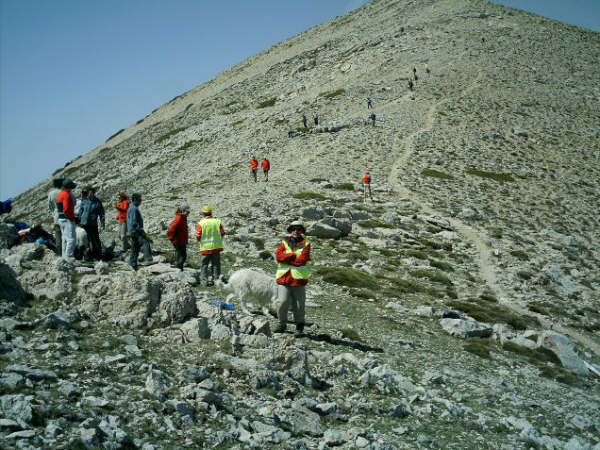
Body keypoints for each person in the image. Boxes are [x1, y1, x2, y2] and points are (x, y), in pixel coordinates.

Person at [275, 220, 312, 336]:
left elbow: (303, 260)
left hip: (299, 279)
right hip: (284, 278)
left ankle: (299, 327)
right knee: (282, 302)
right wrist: (293, 255)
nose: (296, 231)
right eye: (294, 229)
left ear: (302, 231)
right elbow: (279, 257)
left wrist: (287, 259)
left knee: (299, 305)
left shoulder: (306, 244)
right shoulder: (284, 242)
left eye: (299, 229)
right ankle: (282, 324)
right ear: (290, 230)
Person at [196, 206, 226, 286]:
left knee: (204, 265)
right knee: (216, 264)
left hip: (205, 248)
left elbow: (198, 236)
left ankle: (204, 281)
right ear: (211, 212)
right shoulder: (217, 222)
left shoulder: (201, 223)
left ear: (203, 213)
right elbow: (223, 233)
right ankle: (216, 280)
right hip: (216, 247)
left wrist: (202, 241)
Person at [127, 193, 153, 270]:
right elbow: (134, 222)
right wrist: (141, 231)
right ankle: (148, 259)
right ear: (135, 200)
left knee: (135, 247)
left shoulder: (132, 207)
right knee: (145, 242)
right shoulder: (134, 209)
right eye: (140, 200)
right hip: (135, 231)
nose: (141, 201)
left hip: (132, 231)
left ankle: (132, 263)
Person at [79, 187, 105, 260]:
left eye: (91, 192)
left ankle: (98, 254)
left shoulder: (98, 202)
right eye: (88, 193)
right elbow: (81, 212)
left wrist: (102, 223)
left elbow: (102, 213)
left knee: (95, 240)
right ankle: (87, 255)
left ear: (93, 193)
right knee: (86, 240)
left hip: (93, 224)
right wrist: (79, 221)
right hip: (84, 224)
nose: (89, 194)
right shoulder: (84, 201)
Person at [56, 179, 77, 258]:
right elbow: (66, 209)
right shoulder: (67, 195)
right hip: (67, 219)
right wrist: (71, 218)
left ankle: (64, 256)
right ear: (69, 187)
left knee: (64, 239)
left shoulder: (61, 194)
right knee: (71, 240)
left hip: (61, 219)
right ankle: (69, 257)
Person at [168, 205, 190, 271]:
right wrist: (172, 239)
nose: (188, 213)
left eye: (189, 212)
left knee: (180, 254)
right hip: (178, 240)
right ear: (183, 211)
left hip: (181, 240)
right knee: (183, 255)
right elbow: (171, 230)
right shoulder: (179, 218)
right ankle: (178, 267)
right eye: (187, 212)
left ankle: (180, 267)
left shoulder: (183, 217)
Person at [48, 178, 63, 255]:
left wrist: (54, 213)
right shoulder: (64, 192)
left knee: (58, 237)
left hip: (56, 217)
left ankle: (59, 254)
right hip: (65, 216)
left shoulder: (51, 194)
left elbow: (50, 207)